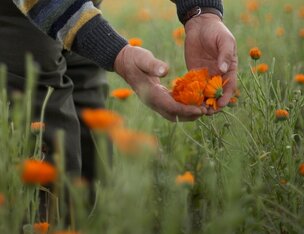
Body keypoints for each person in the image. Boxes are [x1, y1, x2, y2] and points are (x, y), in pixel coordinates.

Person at [0, 0, 237, 201]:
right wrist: (113, 51)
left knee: (91, 152)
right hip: (16, 11)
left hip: (81, 6)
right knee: (46, 161)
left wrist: (201, 12)